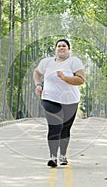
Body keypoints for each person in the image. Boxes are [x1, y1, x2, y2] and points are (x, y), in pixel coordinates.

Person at [33, 39, 85, 167]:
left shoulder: (74, 61)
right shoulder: (46, 62)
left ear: (68, 49)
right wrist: (38, 85)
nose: (61, 48)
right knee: (55, 126)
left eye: (64, 46)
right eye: (59, 46)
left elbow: (80, 80)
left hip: (70, 101)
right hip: (50, 99)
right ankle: (53, 157)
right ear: (55, 49)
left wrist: (64, 78)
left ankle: (62, 155)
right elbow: (37, 73)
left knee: (65, 129)